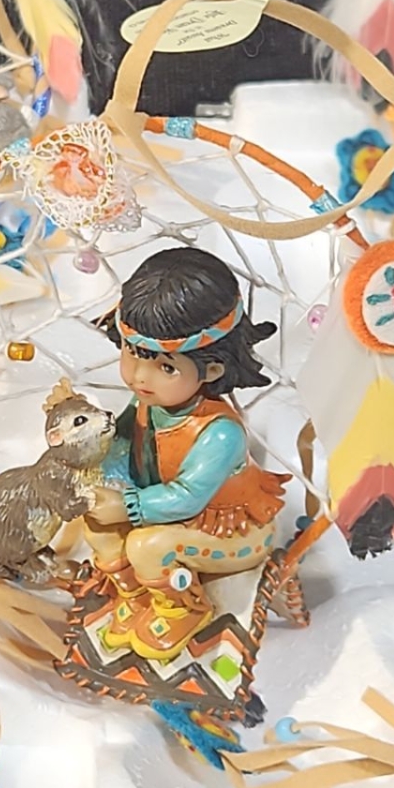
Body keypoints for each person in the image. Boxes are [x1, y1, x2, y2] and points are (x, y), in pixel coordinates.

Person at [81, 248, 288, 661]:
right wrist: (99, 477)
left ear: (212, 368)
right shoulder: (148, 402)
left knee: (147, 546)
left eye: (166, 367)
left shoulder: (219, 433)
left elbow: (188, 497)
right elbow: (123, 446)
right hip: (165, 514)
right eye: (132, 354)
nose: (140, 376)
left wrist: (125, 504)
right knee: (96, 526)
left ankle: (182, 608)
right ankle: (135, 596)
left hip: (232, 531)